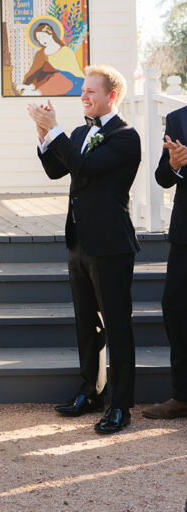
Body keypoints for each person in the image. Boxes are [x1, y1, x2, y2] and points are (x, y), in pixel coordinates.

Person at [28, 64, 141, 435]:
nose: (84, 96)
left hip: (110, 245)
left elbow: (85, 166)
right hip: (78, 240)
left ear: (112, 96)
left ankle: (120, 405)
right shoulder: (79, 132)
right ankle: (89, 391)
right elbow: (55, 170)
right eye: (84, 90)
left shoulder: (126, 137)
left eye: (91, 91)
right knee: (85, 322)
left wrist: (56, 130)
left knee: (117, 325)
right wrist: (43, 131)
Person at [143, 101, 187, 420]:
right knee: (175, 307)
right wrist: (173, 164)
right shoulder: (177, 119)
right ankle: (182, 396)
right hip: (185, 234)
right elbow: (162, 178)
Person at [21, 22, 84, 97]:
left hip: (72, 81)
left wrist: (54, 71)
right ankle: (33, 88)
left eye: (43, 36)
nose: (42, 40)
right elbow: (35, 71)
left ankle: (38, 92)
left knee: (57, 75)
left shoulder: (66, 51)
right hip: (48, 81)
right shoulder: (40, 54)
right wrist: (31, 85)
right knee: (44, 72)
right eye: (39, 39)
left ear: (50, 34)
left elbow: (73, 72)